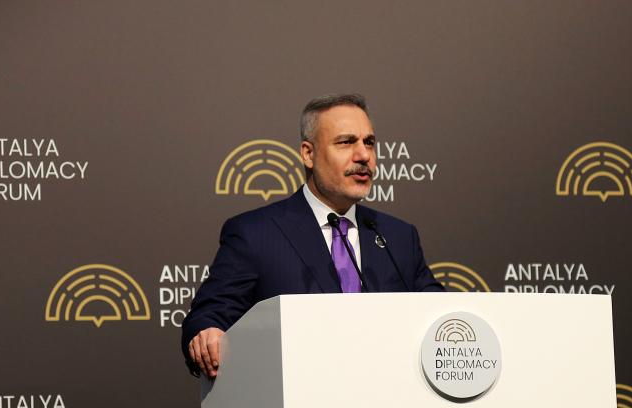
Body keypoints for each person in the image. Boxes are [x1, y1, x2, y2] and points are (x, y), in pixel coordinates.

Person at [182, 93, 443, 377]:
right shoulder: (256, 234)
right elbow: (209, 315)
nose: (364, 155)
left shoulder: (398, 237)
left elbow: (440, 316)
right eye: (346, 142)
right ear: (308, 154)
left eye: (369, 142)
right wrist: (207, 333)